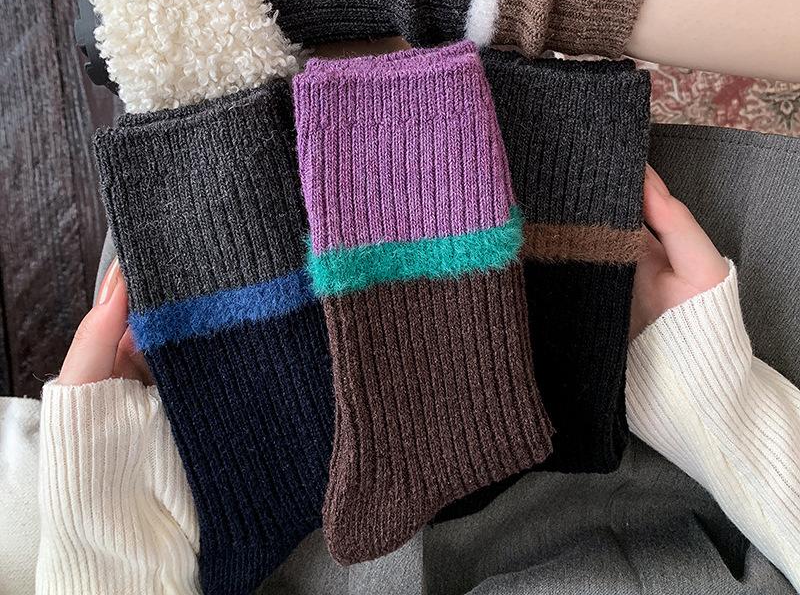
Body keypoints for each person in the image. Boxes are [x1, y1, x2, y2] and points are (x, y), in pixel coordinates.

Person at [34, 165, 800, 593]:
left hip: (228, 501)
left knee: (219, 166)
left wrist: (107, 534)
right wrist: (717, 402)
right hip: (668, 481)